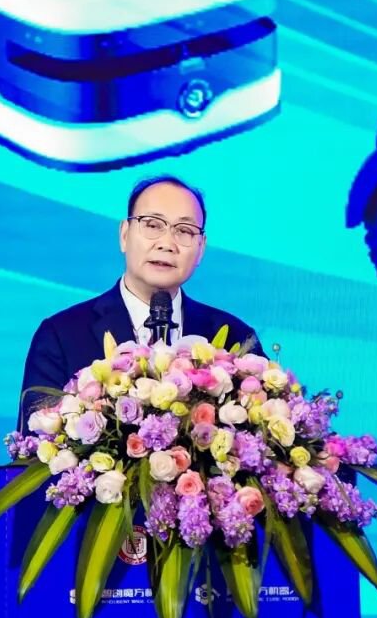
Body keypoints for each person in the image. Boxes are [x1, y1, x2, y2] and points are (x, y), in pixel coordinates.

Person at [17, 175, 262, 429]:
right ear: (124, 235)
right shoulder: (61, 335)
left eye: (184, 231)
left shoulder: (236, 339)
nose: (167, 244)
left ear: (201, 248)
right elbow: (36, 444)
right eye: (153, 225)